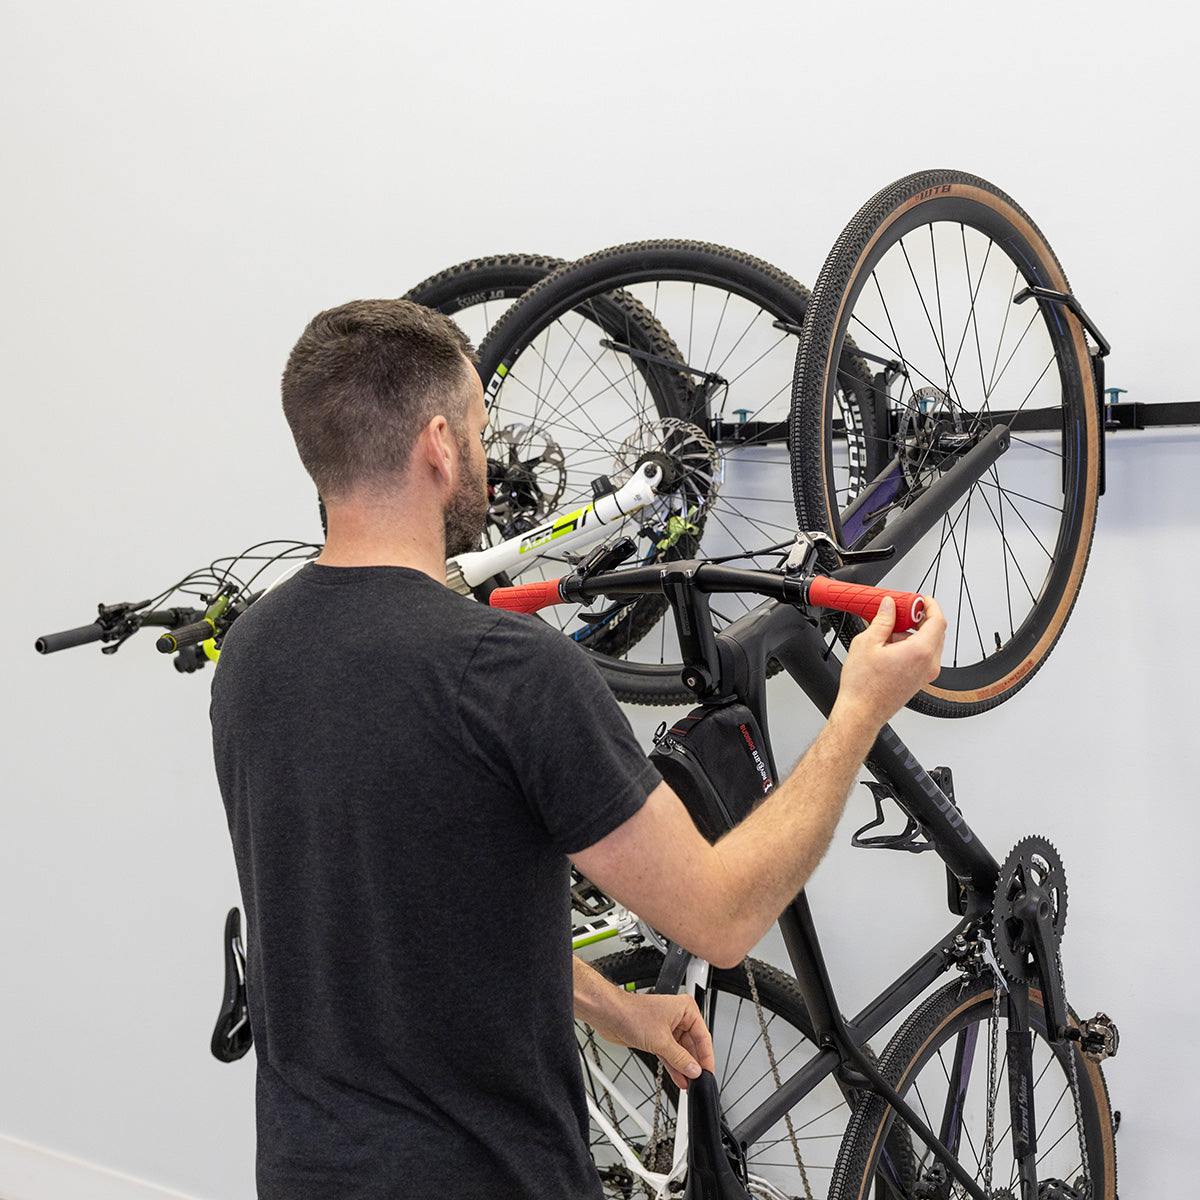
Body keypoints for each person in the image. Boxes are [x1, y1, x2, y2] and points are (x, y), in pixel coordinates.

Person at [211, 298, 945, 1200]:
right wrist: (859, 712)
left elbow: (415, 928)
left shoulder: (252, 657)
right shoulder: (508, 672)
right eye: (483, 428)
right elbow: (717, 920)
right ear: (439, 444)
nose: (488, 452)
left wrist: (617, 1009)